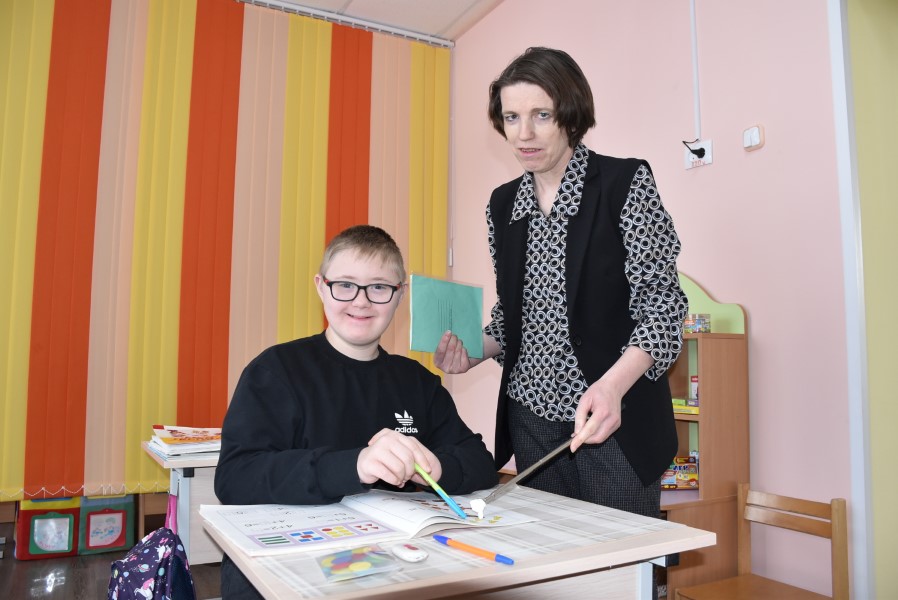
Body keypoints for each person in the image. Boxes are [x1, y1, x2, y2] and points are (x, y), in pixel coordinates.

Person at [435, 47, 688, 520]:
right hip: (531, 418)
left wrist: (611, 387)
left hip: (611, 416)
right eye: (512, 117)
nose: (523, 134)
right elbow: (514, 318)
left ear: (570, 116)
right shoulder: (502, 205)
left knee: (619, 556)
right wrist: (474, 351)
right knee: (550, 554)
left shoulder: (624, 183)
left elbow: (664, 307)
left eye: (541, 115)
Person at [215, 224, 498, 599]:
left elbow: (481, 463)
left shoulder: (417, 381)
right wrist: (355, 465)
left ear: (400, 295)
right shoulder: (275, 371)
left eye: (379, 287)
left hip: (394, 563)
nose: (361, 301)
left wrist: (437, 468)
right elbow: (235, 477)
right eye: (345, 285)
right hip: (287, 567)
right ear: (321, 286)